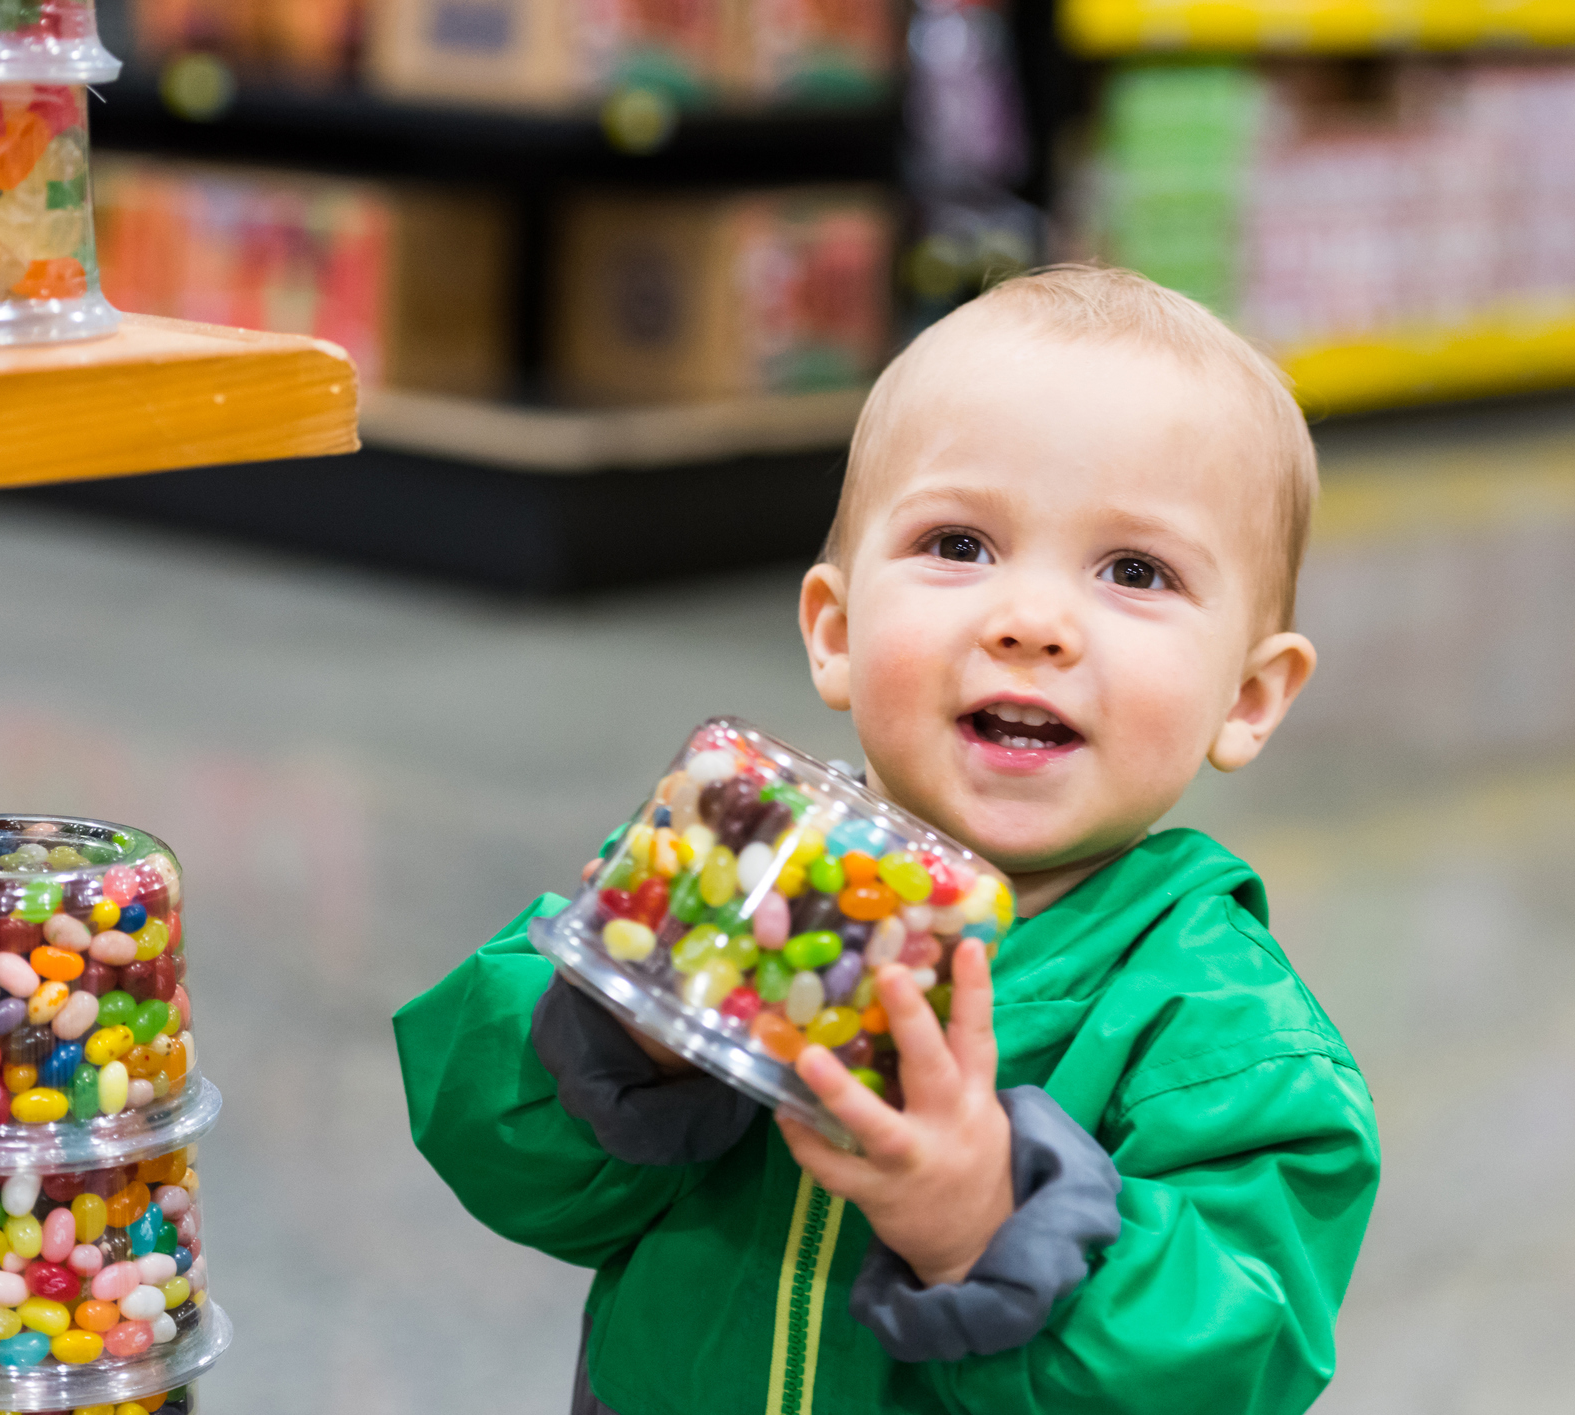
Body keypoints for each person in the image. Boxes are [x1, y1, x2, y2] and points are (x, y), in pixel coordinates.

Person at [393, 265, 1380, 1415]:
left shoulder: (1223, 1036)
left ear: (1249, 698)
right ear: (838, 630)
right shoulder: (739, 873)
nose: (1030, 623)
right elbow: (499, 1157)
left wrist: (986, 1226)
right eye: (959, 544)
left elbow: (1232, 1361)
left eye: (1134, 571)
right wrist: (624, 1036)